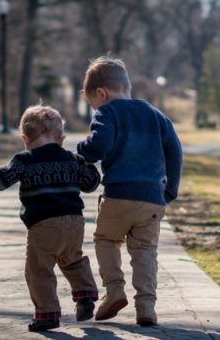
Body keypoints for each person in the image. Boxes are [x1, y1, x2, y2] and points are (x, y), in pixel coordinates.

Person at [0, 105, 101, 332]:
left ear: (25, 138)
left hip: (44, 224)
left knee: (39, 269)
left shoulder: (24, 160)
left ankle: (47, 314)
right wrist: (90, 166)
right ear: (61, 138)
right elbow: (90, 184)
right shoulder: (71, 159)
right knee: (73, 259)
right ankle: (85, 296)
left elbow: (1, 179)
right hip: (75, 222)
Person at [77, 56, 182, 326]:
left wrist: (82, 150)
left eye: (92, 104)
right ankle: (146, 306)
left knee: (106, 240)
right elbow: (175, 151)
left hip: (119, 194)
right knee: (145, 251)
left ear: (102, 93)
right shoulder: (156, 115)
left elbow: (98, 145)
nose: (94, 108)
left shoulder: (107, 112)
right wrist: (169, 190)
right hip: (152, 199)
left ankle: (114, 291)